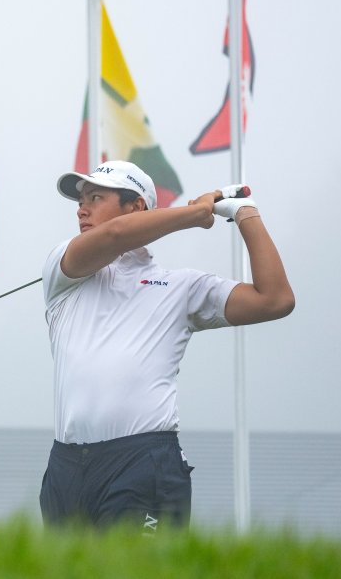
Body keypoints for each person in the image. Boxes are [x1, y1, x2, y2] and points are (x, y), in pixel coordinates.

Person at [38, 160, 294, 533]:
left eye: (96, 197)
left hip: (142, 462)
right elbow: (115, 236)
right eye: (81, 200)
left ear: (136, 206)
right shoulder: (63, 269)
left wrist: (242, 213)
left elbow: (275, 299)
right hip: (65, 468)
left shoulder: (181, 287)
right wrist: (195, 213)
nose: (82, 208)